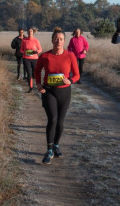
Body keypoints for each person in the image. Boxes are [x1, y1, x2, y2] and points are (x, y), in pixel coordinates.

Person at [34, 27, 80, 164]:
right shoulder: (45, 56)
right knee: (52, 119)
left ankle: (56, 145)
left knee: (60, 121)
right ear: (52, 40)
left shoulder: (70, 56)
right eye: (56, 39)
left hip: (64, 92)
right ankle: (49, 150)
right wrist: (38, 85)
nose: (58, 41)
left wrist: (70, 80)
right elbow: (37, 71)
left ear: (64, 41)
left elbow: (77, 75)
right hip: (49, 91)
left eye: (60, 39)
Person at [20, 27, 42, 93]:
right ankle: (30, 87)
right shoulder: (24, 40)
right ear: (27, 32)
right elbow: (21, 50)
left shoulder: (36, 40)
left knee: (35, 74)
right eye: (29, 31)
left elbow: (40, 49)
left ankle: (38, 86)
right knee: (29, 74)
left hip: (34, 59)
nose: (30, 32)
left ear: (33, 32)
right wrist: (25, 52)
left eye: (31, 31)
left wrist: (36, 52)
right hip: (26, 59)